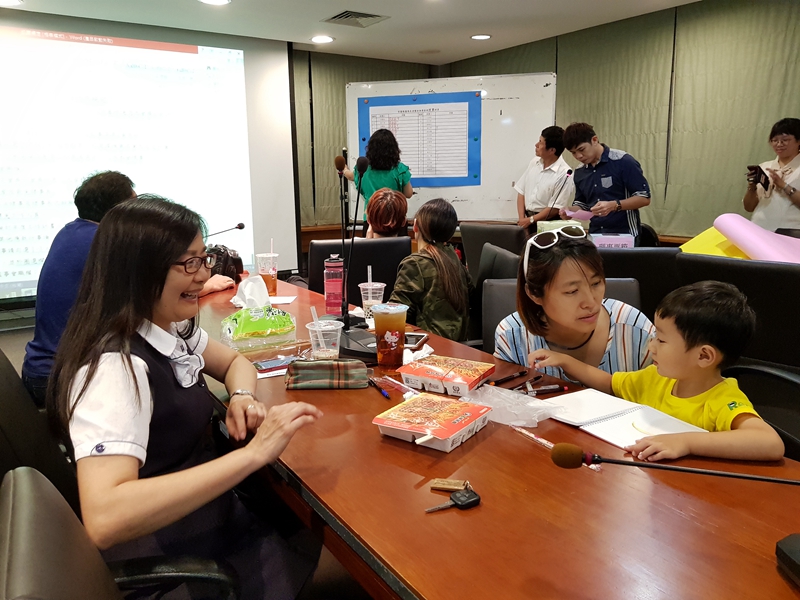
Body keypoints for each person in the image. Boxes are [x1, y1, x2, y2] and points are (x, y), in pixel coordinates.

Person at [47, 195, 358, 600]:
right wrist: (252, 454)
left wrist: (242, 395)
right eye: (189, 264)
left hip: (213, 519)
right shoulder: (115, 368)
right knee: (357, 566)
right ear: (140, 270)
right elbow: (106, 518)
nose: (204, 274)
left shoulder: (165, 326)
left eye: (203, 259)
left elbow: (234, 362)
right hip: (175, 560)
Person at [22, 171, 234, 408]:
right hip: (62, 375)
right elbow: (141, 288)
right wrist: (205, 287)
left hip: (44, 365)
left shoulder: (70, 232)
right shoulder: (106, 245)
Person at [530, 281, 785, 462]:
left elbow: (770, 443)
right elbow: (610, 383)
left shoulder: (722, 399)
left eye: (661, 340)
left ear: (703, 356)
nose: (651, 346)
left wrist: (686, 442)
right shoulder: (656, 378)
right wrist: (566, 361)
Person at [494, 229, 654, 380]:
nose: (590, 302)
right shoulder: (512, 337)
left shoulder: (636, 330)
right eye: (572, 291)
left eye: (596, 283)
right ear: (534, 294)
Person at [389, 198, 472, 342]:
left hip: (429, 347)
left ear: (415, 226)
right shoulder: (454, 259)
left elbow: (393, 315)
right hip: (459, 347)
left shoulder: (414, 264)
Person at [559, 122, 651, 242]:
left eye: (581, 149)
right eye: (573, 153)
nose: (579, 156)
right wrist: (570, 211)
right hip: (595, 235)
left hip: (625, 235)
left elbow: (644, 198)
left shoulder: (623, 161)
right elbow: (583, 204)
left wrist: (614, 205)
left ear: (594, 140)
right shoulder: (580, 171)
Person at [743, 117, 800, 233]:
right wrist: (752, 186)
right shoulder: (764, 167)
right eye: (774, 140)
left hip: (791, 231)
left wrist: (784, 186)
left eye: (785, 140)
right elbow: (749, 207)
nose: (779, 144)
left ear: (799, 141)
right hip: (758, 228)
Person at [515, 125, 575, 233]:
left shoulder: (565, 173)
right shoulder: (534, 162)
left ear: (552, 150)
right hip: (526, 221)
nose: (536, 145)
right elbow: (521, 191)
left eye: (540, 142)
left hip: (548, 224)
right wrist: (522, 220)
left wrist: (530, 220)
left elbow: (555, 208)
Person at [344, 129, 413, 211]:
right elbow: (408, 194)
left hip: (371, 215)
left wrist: (344, 169)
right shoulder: (400, 169)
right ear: (394, 149)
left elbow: (351, 176)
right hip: (394, 216)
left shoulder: (364, 167)